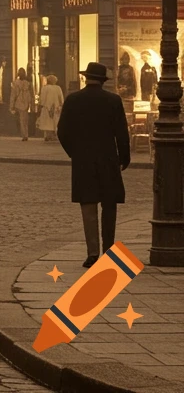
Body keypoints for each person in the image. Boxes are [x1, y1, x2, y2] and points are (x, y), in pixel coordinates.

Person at [57, 61, 130, 267]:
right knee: (109, 206)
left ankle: (92, 253)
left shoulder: (73, 100)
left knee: (88, 206)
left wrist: (75, 153)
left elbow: (62, 132)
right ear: (103, 81)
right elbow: (121, 133)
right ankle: (108, 250)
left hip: (83, 161)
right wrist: (124, 157)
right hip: (108, 159)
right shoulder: (113, 100)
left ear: (85, 78)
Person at [37, 74, 64, 142]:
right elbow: (61, 98)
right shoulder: (58, 88)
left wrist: (40, 105)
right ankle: (54, 135)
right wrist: (61, 105)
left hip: (47, 107)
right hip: (56, 108)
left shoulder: (45, 88)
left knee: (47, 122)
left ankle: (47, 135)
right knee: (55, 122)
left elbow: (42, 99)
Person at [10, 67, 33, 141]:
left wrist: (11, 105)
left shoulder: (15, 83)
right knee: (25, 119)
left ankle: (24, 135)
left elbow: (13, 95)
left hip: (18, 102)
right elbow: (30, 94)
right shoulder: (28, 83)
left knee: (21, 120)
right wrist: (30, 103)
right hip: (26, 103)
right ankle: (26, 134)